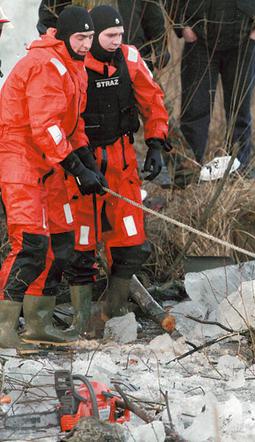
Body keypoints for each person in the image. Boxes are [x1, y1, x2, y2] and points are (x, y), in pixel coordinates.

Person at [0, 6, 106, 348]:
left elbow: (71, 127)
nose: (87, 44)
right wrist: (76, 169)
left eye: (90, 38)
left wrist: (90, 166)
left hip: (47, 163)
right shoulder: (46, 65)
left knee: (60, 243)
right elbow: (45, 126)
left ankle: (37, 322)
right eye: (80, 37)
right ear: (63, 35)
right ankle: (3, 327)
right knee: (30, 244)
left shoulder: (76, 69)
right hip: (19, 158)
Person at [63, 5, 169, 331]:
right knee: (80, 246)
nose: (116, 41)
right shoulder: (75, 67)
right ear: (94, 36)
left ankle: (112, 310)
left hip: (123, 163)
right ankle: (82, 321)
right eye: (110, 35)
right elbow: (65, 119)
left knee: (131, 242)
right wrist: (80, 166)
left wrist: (156, 142)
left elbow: (153, 99)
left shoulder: (130, 58)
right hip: (85, 163)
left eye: (120, 35)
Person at [167, 0, 255, 168]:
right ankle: (189, 171)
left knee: (239, 109)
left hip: (243, 41)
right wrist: (183, 26)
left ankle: (237, 169)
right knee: (194, 109)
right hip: (199, 41)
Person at [38, 0, 170, 71]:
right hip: (84, 61)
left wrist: (161, 47)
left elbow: (152, 14)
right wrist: (61, 50)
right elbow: (48, 19)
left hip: (131, 55)